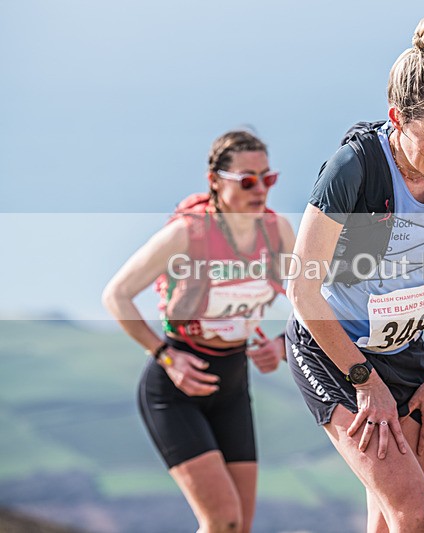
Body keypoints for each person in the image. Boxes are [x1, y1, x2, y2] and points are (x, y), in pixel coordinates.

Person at [285, 15, 424, 533]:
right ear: (397, 118)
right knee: (416, 513)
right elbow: (301, 288)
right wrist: (363, 380)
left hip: (406, 352)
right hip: (332, 352)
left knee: (390, 522)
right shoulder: (353, 168)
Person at [102, 130, 295, 533]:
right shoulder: (186, 234)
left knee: (240, 525)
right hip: (176, 389)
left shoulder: (277, 232)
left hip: (232, 383)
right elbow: (116, 296)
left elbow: (314, 300)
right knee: (221, 519)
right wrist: (165, 357)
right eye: (246, 180)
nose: (260, 189)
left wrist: (281, 346)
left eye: (267, 178)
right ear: (215, 182)